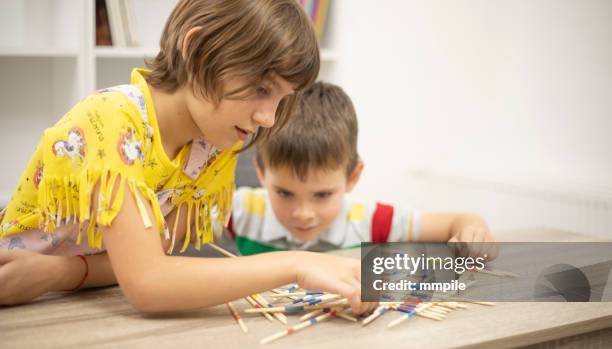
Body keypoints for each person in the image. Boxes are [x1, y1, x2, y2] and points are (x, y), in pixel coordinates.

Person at [0, 0, 373, 315]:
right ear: (195, 49)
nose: (268, 119)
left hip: (63, 304)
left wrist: (59, 274)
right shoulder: (113, 120)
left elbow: (148, 260)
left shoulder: (214, 145)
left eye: (282, 99)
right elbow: (148, 283)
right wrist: (296, 263)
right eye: (261, 88)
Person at [228, 82, 497, 259]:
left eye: (322, 195)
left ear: (352, 177)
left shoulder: (371, 220)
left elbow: (456, 222)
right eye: (285, 193)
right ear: (261, 173)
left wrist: (473, 230)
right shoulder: (243, 210)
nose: (303, 213)